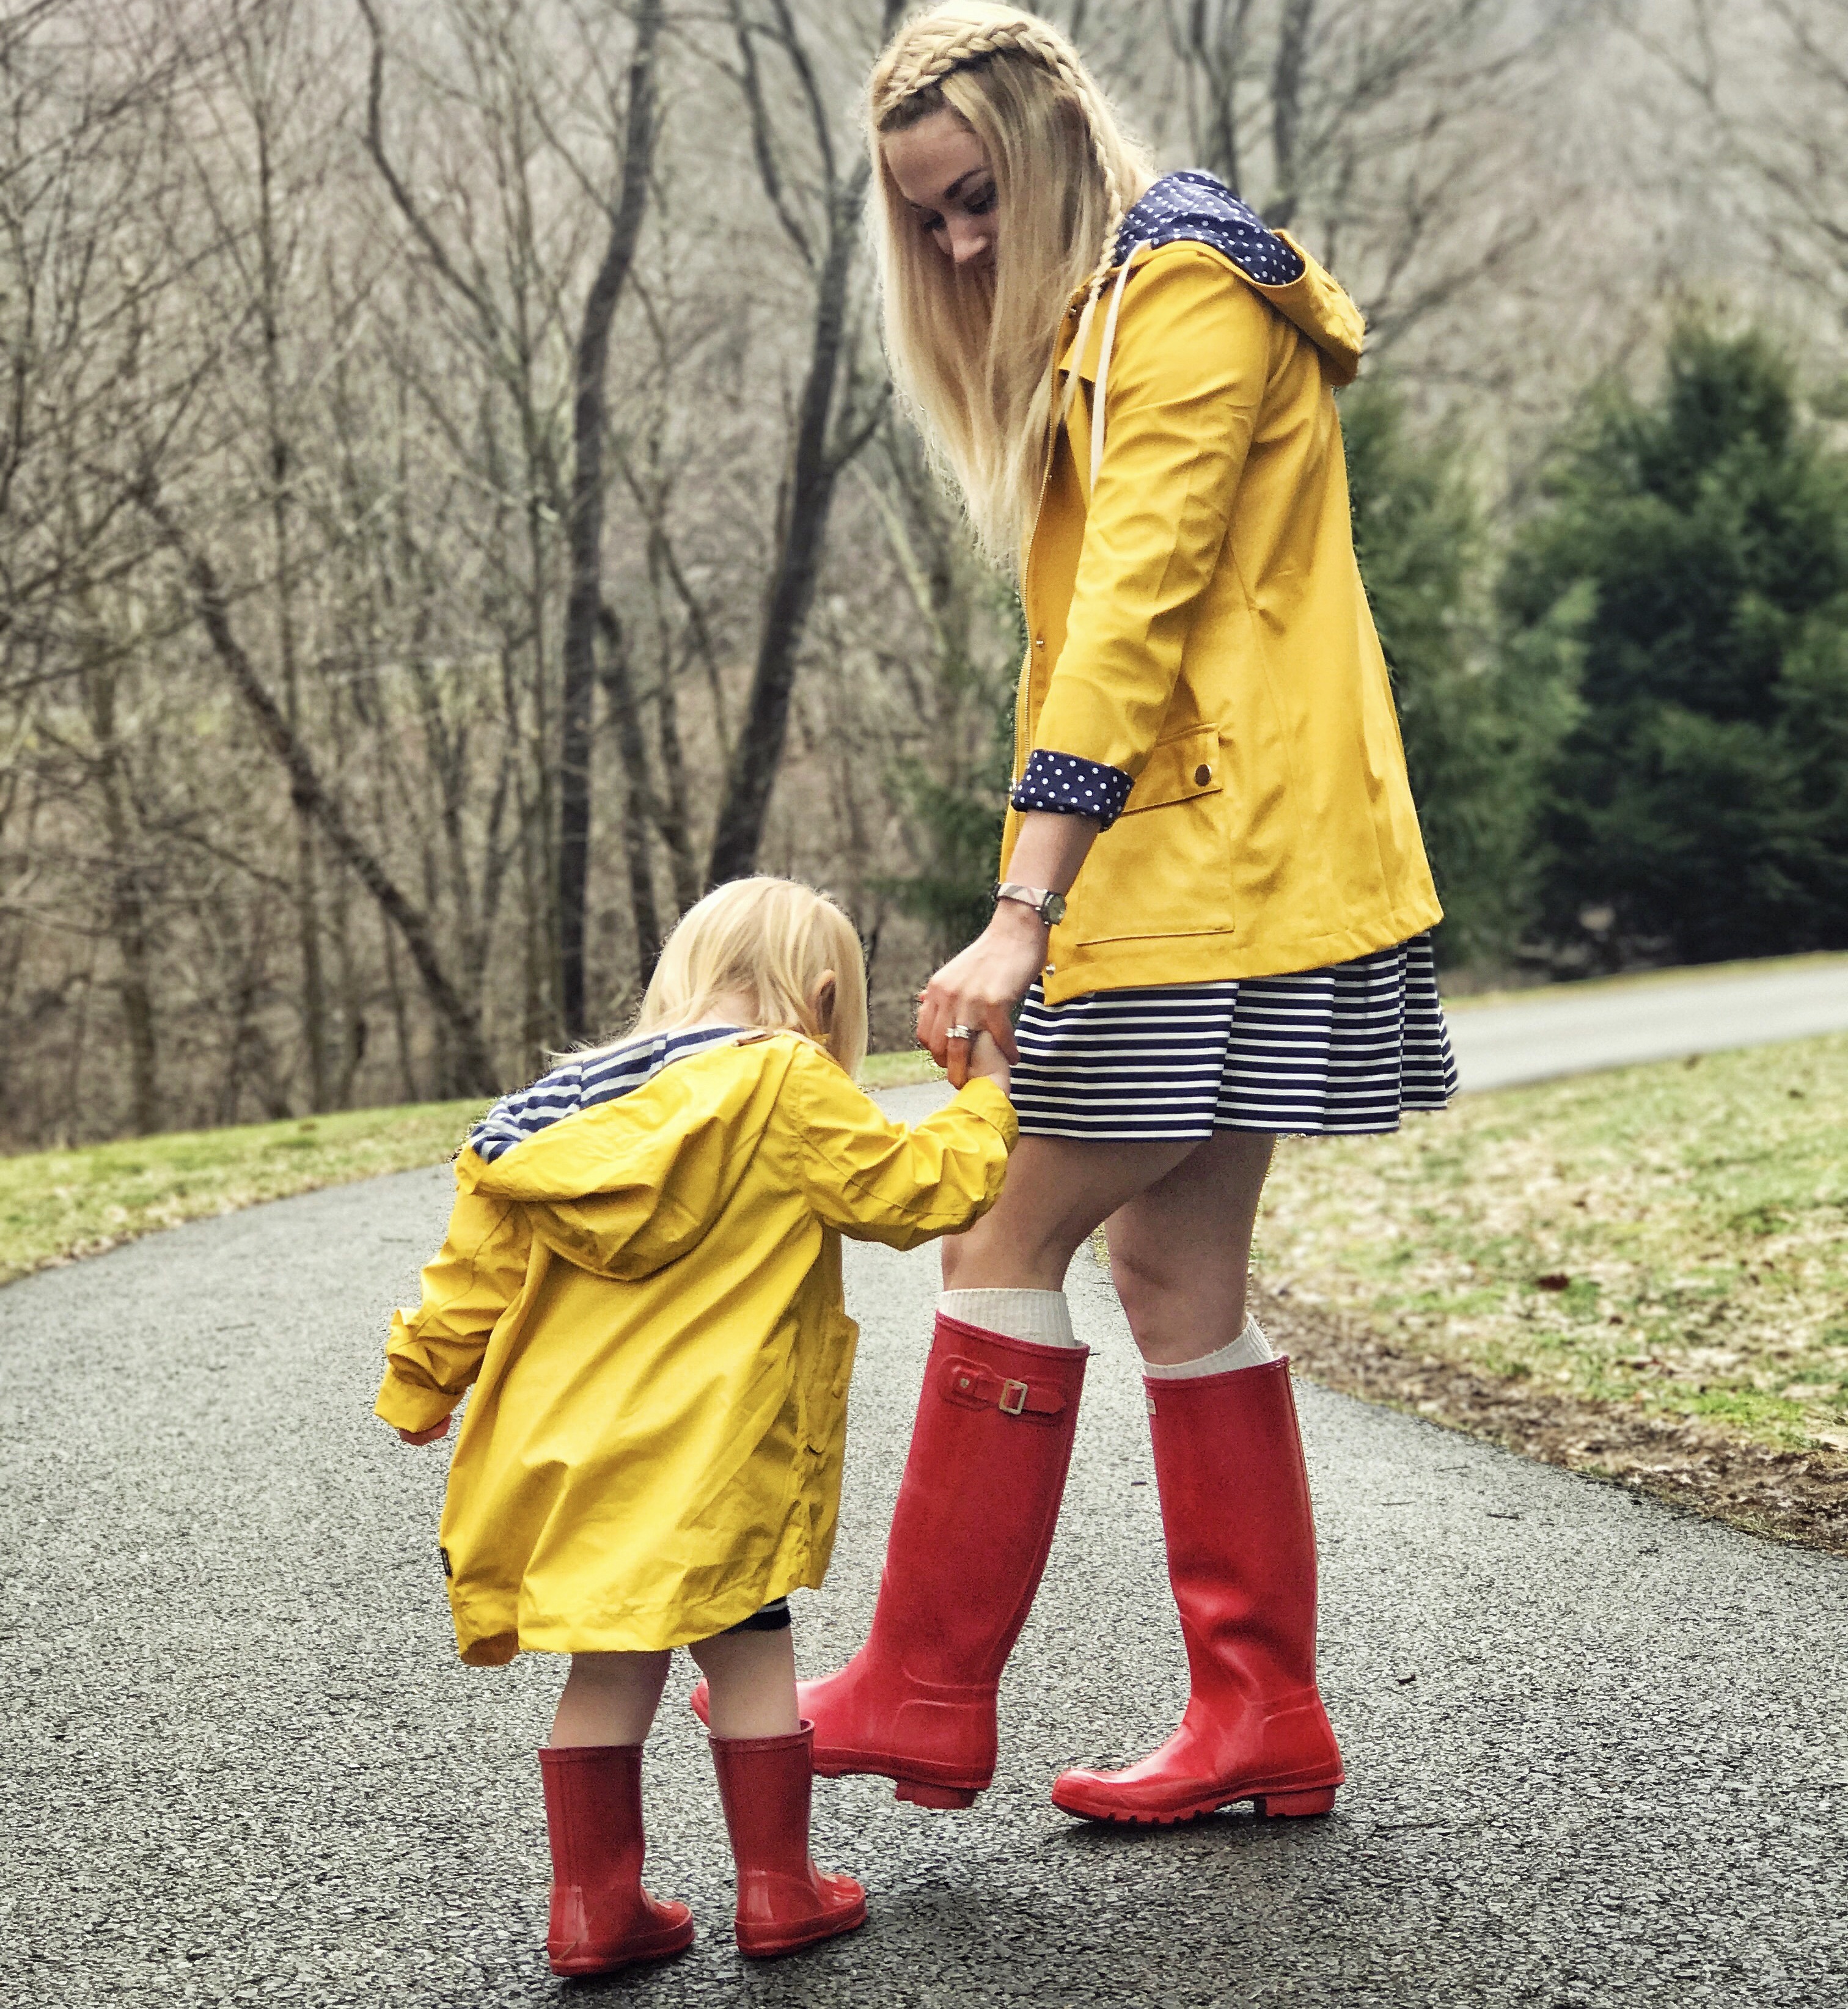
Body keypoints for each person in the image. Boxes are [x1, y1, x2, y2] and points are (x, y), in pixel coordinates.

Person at [695, 3, 1456, 1827]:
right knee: (1179, 1280)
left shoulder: (1182, 294)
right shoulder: (1125, 309)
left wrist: (1023, 903)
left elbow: (1138, 611)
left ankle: (927, 1688)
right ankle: (1263, 1717)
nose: (958, 248)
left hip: (1196, 880)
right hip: (1245, 869)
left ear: (1047, 148)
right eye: (928, 224)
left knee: (998, 1244)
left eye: (973, 203)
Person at [375, 876, 1016, 1973]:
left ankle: (592, 1910)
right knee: (753, 1646)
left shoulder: (546, 1114)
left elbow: (467, 1282)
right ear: (821, 995)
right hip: (724, 1450)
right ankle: (778, 1892)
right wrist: (985, 1099)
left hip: (575, 1460)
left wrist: (420, 1386)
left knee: (611, 1663)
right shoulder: (781, 1079)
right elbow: (914, 1193)